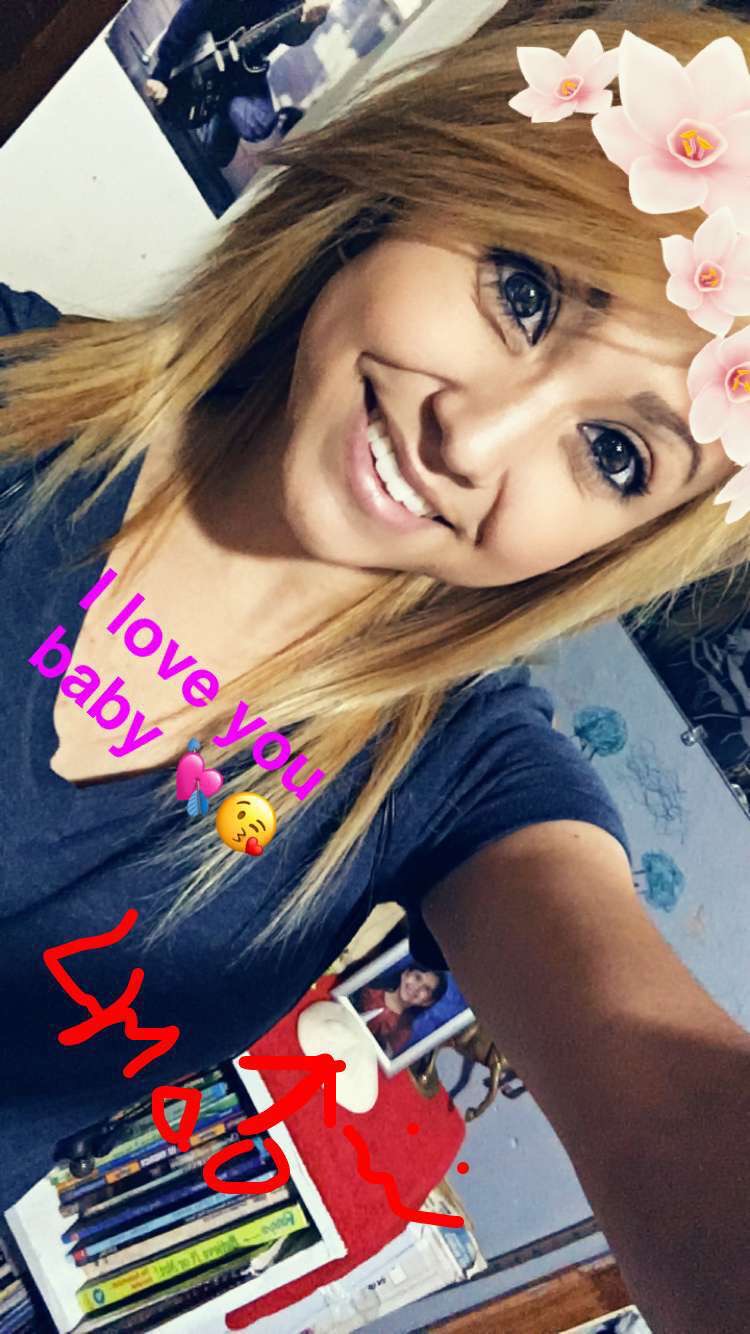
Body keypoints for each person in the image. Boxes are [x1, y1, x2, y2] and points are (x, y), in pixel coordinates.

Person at [1, 2, 749, 1328]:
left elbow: (669, 1100)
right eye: (524, 291)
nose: (478, 438)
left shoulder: (458, 782)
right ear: (416, 179)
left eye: (615, 454)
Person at [144, 0, 330, 165]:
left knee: (259, 124)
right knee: (218, 151)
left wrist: (310, 21)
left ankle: (221, 105)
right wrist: (161, 73)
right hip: (204, 52)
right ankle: (211, 98)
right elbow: (188, 18)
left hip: (244, 68)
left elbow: (291, 37)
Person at [357, 964, 448, 1055]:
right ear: (406, 974)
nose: (417, 988)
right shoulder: (368, 989)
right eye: (417, 977)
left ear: (428, 1002)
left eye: (426, 989)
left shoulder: (402, 1031)